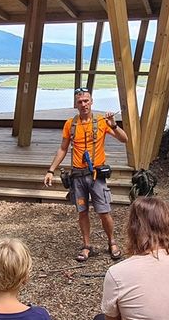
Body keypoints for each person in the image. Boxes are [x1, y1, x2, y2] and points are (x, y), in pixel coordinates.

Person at [43, 88, 129, 262]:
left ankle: (112, 242)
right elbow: (63, 148)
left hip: (96, 175)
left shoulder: (102, 121)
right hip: (78, 176)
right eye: (80, 102)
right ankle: (86, 245)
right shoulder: (70, 124)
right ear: (76, 104)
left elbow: (124, 139)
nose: (83, 104)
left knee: (104, 212)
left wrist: (113, 124)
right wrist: (51, 170)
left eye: (86, 101)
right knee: (82, 212)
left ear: (91, 102)